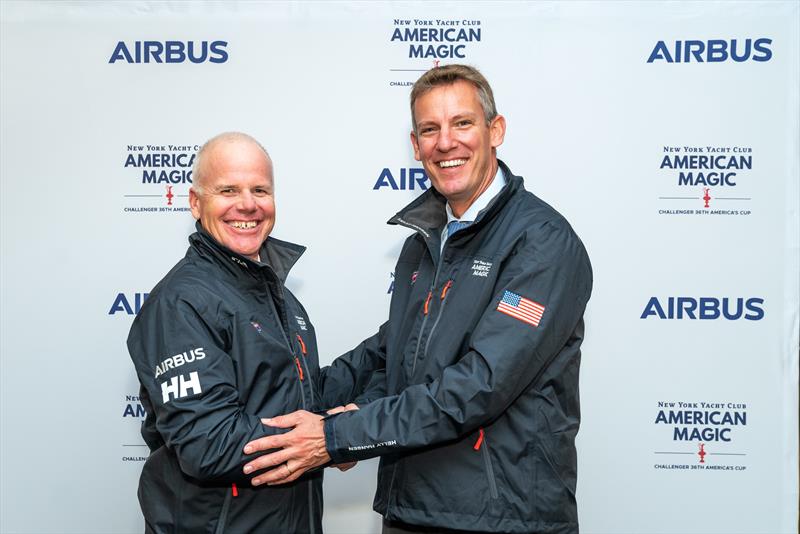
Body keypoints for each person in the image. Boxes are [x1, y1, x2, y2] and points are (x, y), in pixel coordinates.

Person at [242, 65, 593, 534]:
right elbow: (397, 355)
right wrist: (312, 406)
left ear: (496, 131)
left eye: (462, 123)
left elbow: (478, 386)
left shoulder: (543, 243)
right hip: (412, 509)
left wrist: (338, 437)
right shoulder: (423, 242)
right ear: (416, 145)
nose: (446, 142)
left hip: (502, 519)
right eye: (430, 129)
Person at [127, 132, 324, 533]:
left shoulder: (273, 294)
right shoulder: (182, 303)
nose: (248, 204)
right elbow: (209, 443)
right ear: (196, 203)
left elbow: (301, 396)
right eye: (228, 189)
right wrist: (328, 439)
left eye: (260, 189)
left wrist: (391, 344)